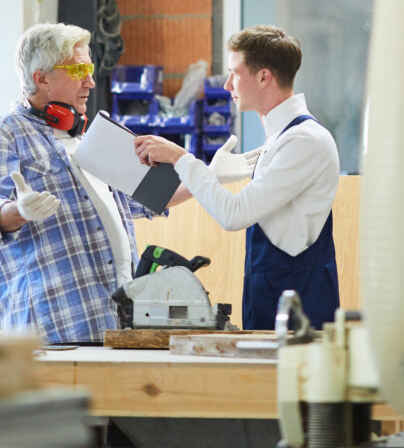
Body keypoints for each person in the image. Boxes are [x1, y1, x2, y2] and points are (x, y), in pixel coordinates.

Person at [135, 25, 341, 330]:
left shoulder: (304, 141)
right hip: (272, 292)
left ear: (263, 77)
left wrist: (181, 159)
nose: (228, 84)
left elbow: (234, 215)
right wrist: (209, 175)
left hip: (300, 304)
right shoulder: (281, 138)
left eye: (235, 73)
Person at [0, 22, 168, 344]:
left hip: (115, 320)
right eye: (79, 69)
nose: (90, 82)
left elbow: (142, 198)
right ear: (41, 78)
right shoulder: (7, 132)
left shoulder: (85, 137)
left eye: (90, 70)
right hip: (57, 328)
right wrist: (19, 210)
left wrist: (205, 177)